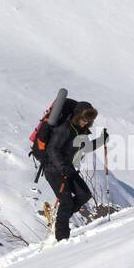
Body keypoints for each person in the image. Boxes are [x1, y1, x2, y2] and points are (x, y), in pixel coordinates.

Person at [42, 101, 105, 241]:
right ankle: (62, 238)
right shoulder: (65, 129)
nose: (85, 123)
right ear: (77, 116)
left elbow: (84, 147)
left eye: (89, 121)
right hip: (53, 170)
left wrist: (101, 140)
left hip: (67, 168)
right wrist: (63, 168)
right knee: (67, 202)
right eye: (84, 119)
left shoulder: (80, 130)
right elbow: (52, 150)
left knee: (84, 194)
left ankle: (58, 219)